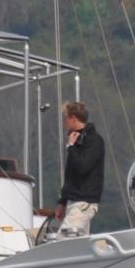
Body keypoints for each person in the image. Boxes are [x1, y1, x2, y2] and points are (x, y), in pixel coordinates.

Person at [56, 101, 105, 237]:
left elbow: (83, 167)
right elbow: (70, 176)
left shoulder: (94, 141)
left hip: (84, 203)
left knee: (64, 240)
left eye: (66, 118)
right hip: (74, 203)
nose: (64, 122)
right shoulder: (77, 140)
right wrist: (62, 202)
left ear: (72, 118)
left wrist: (71, 147)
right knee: (78, 244)